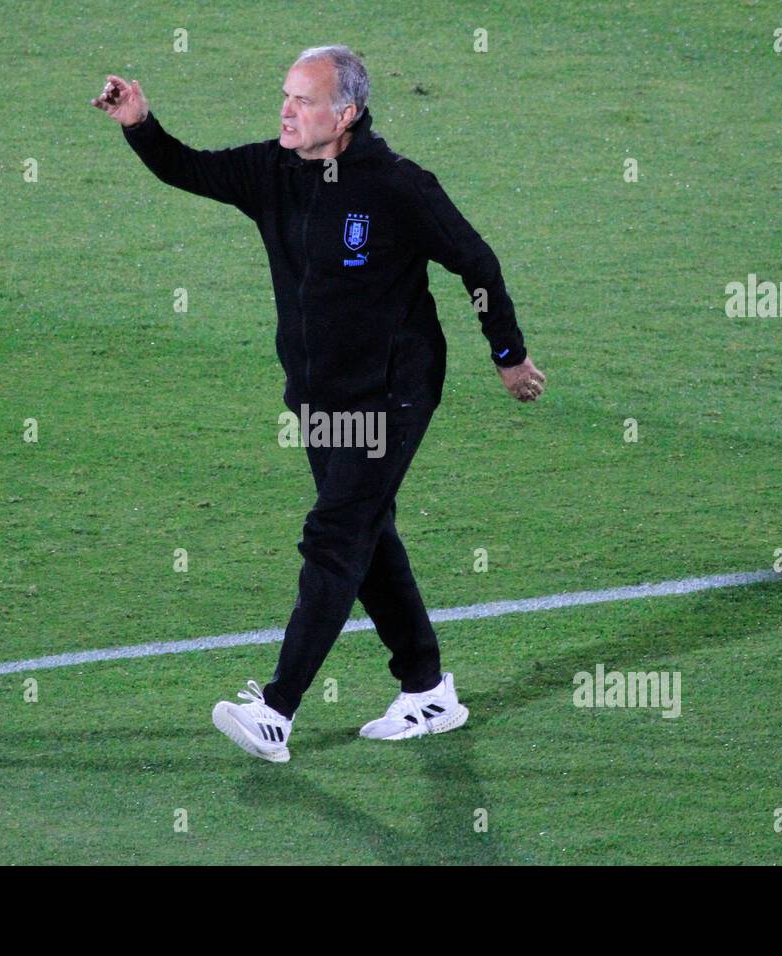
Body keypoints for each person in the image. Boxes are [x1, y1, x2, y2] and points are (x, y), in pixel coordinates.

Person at [93, 45, 545, 763]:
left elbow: (475, 262)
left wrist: (507, 354)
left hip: (392, 391)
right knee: (366, 539)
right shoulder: (272, 171)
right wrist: (140, 124)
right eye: (285, 95)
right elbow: (190, 167)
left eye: (303, 100)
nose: (286, 110)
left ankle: (276, 711)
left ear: (348, 113)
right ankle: (427, 689)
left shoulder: (396, 186)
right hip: (319, 396)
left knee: (336, 536)